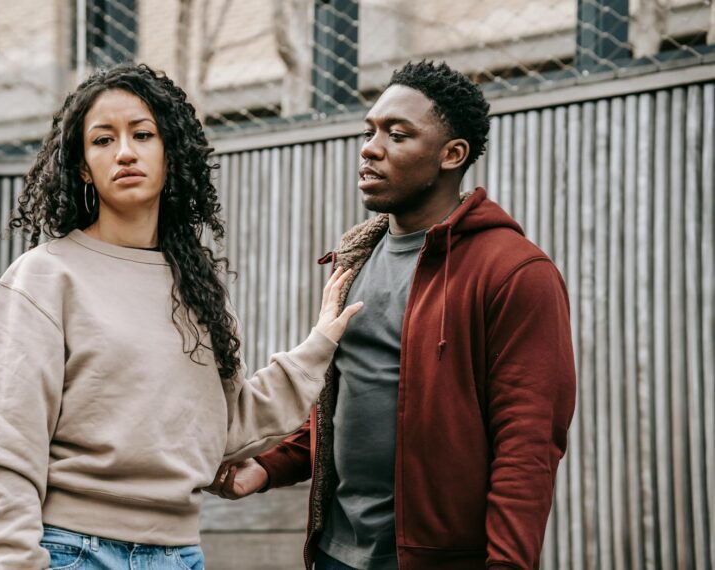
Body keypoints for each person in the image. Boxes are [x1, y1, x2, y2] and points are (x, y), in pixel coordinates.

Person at [0, 63, 363, 570]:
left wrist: (318, 344)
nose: (124, 151)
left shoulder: (197, 288)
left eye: (142, 134)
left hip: (180, 555)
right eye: (103, 140)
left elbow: (224, 429)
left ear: (170, 151)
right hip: (73, 551)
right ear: (83, 165)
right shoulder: (44, 278)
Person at [207, 60, 577, 570]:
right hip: (336, 552)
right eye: (370, 131)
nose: (370, 147)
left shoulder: (515, 271)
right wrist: (268, 468)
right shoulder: (355, 258)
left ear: (452, 155)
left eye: (396, 135)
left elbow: (528, 446)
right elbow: (345, 403)